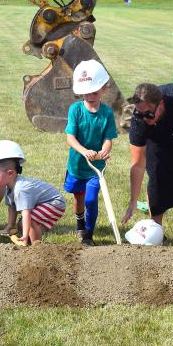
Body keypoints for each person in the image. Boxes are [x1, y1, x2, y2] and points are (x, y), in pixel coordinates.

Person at [122, 83, 173, 227]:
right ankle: (156, 227)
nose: (144, 118)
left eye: (149, 113)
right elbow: (137, 165)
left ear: (161, 104)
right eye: (140, 113)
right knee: (157, 180)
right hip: (157, 142)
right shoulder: (139, 123)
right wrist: (133, 201)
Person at [64, 60, 117, 245]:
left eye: (94, 92)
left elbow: (108, 138)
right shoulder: (75, 110)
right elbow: (70, 138)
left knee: (91, 199)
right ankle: (80, 221)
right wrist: (84, 151)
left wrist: (104, 151)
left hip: (96, 168)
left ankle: (88, 233)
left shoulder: (107, 113)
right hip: (77, 165)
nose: (90, 96)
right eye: (86, 92)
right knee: (79, 197)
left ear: (104, 89)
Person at [0, 140, 66, 246]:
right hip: (46, 202)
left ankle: (36, 245)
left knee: (28, 221)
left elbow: (26, 213)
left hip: (54, 202)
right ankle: (31, 242)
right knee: (21, 224)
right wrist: (10, 225)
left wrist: (25, 235)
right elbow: (12, 207)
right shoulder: (10, 186)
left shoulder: (20, 189)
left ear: (10, 173)